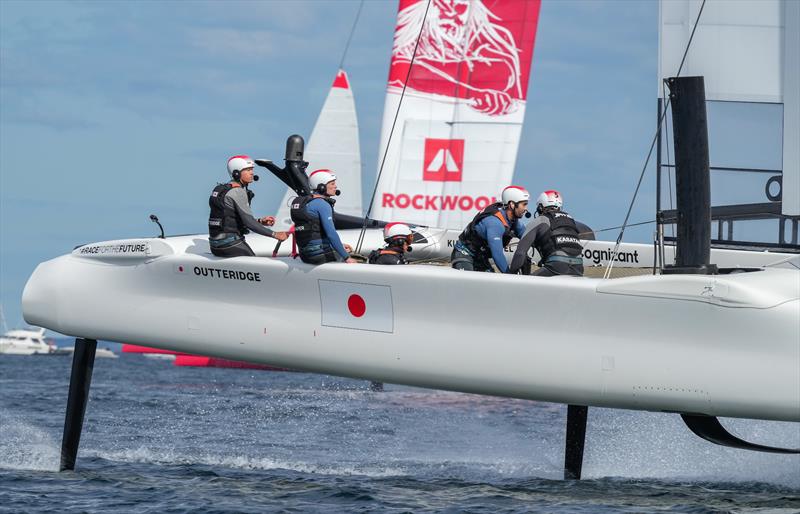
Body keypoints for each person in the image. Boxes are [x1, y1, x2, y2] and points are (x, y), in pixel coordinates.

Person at [208, 155, 289, 258]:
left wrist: (260, 221)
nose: (252, 173)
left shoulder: (221, 190)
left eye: (252, 169)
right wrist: (275, 234)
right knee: (258, 269)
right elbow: (249, 223)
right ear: (236, 173)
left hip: (215, 246)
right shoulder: (238, 192)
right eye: (247, 170)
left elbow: (229, 218)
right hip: (230, 244)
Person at [451, 186, 529, 273]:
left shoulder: (515, 222)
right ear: (512, 205)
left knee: (490, 285)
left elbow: (530, 238)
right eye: (524, 204)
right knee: (470, 284)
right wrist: (510, 276)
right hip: (464, 253)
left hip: (480, 257)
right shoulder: (495, 223)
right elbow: (497, 255)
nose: (526, 209)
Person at [508, 190, 584, 276]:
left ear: (540, 207)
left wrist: (510, 276)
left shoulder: (540, 220)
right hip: (578, 268)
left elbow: (520, 253)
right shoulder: (571, 220)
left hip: (556, 267)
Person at [290, 169, 357, 264]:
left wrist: (340, 245)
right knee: (354, 255)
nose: (335, 186)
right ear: (321, 186)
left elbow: (315, 233)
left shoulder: (307, 203)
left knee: (342, 248)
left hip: (304, 255)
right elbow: (331, 234)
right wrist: (347, 258)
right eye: (332, 184)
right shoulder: (322, 204)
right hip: (318, 255)